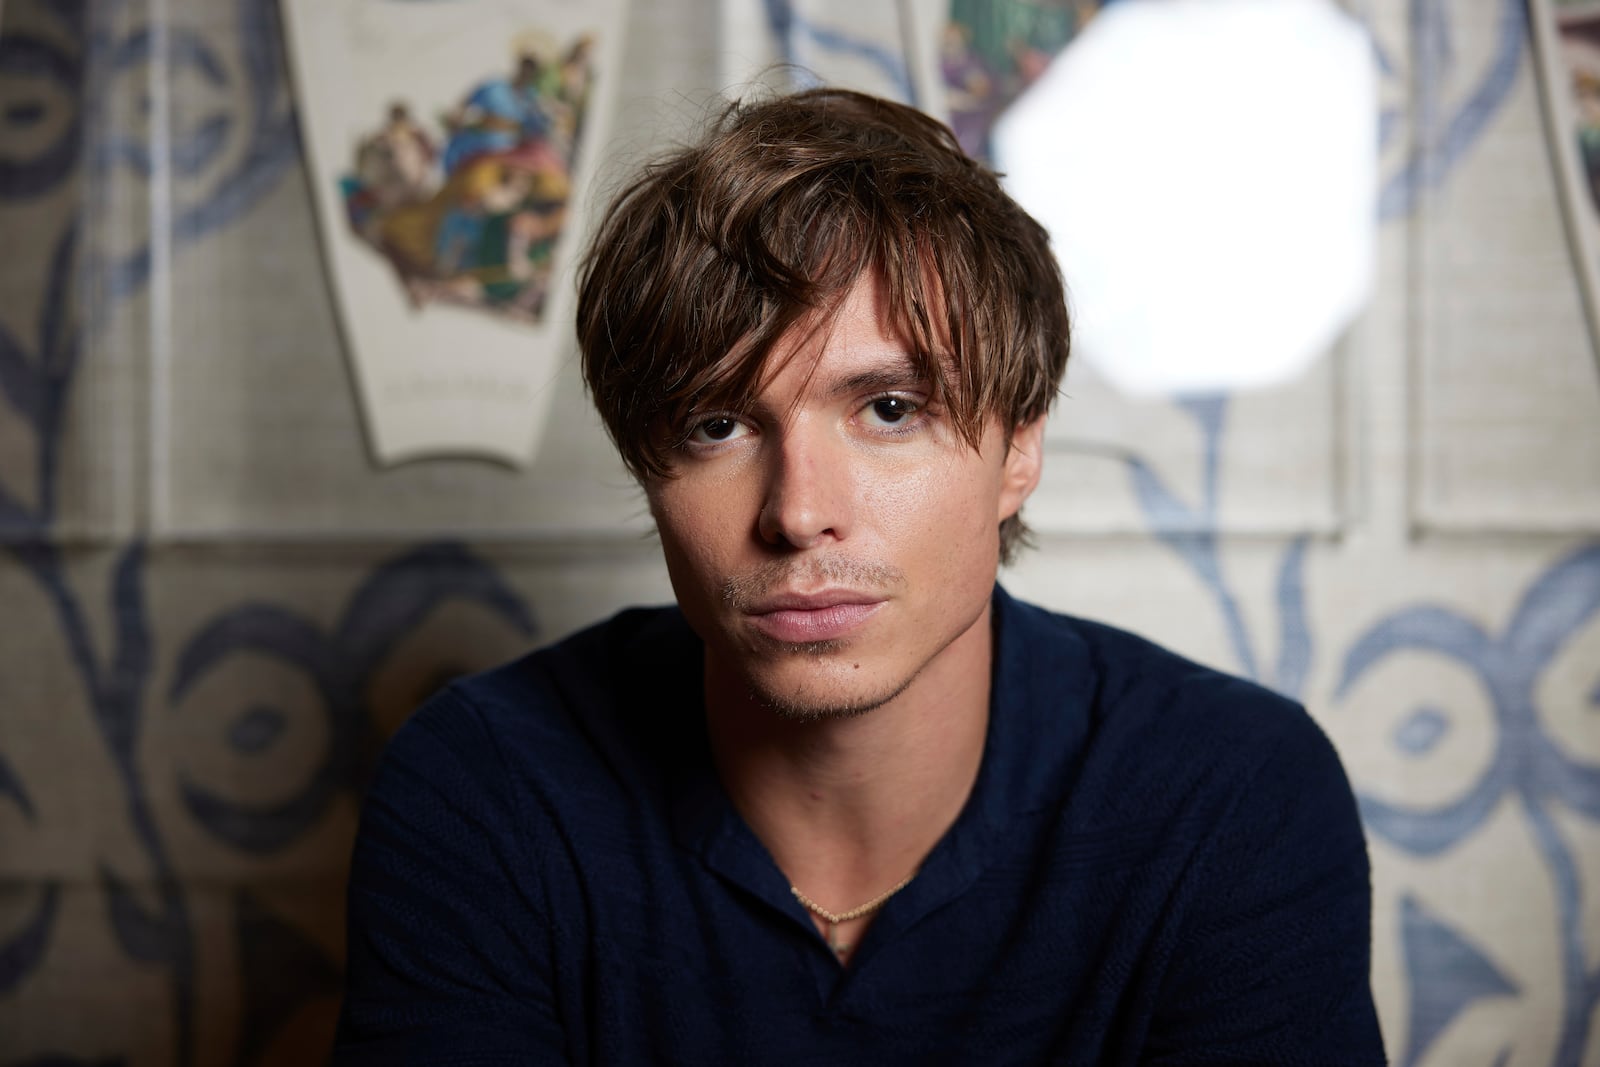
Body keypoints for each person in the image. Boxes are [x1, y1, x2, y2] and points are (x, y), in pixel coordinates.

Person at [331, 88, 1385, 1064]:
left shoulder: (1227, 794)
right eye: (717, 423)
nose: (796, 512)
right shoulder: (487, 791)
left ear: (1018, 448)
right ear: (646, 469)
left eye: (889, 409)